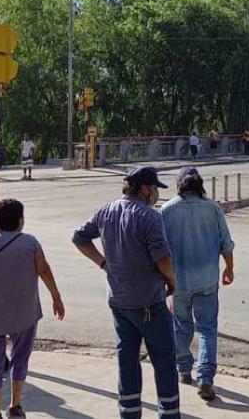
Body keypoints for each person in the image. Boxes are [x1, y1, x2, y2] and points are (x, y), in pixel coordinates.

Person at [72, 167, 180, 419]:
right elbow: (163, 259)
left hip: (119, 301)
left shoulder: (106, 211)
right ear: (144, 189)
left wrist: (103, 263)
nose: (155, 193)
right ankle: (169, 414)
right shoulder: (149, 217)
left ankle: (129, 414)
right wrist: (172, 281)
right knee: (164, 363)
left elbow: (79, 237)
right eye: (154, 188)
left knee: (127, 363)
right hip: (149, 303)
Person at [0, 199, 65, 419]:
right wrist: (56, 297)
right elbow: (44, 271)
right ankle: (15, 406)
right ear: (20, 221)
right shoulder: (31, 243)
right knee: (20, 359)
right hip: (25, 314)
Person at [160, 167, 234, 401]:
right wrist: (229, 268)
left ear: (180, 185)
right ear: (200, 184)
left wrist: (162, 278)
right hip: (207, 279)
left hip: (177, 281)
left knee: (181, 326)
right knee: (207, 329)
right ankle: (205, 378)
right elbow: (226, 243)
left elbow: (159, 249)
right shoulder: (213, 208)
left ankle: (184, 370)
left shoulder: (167, 210)